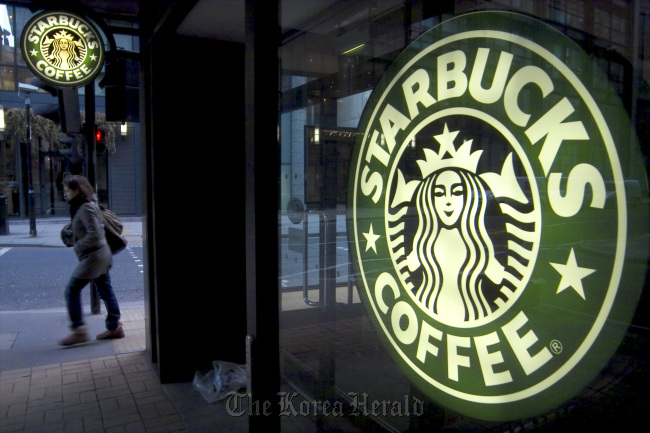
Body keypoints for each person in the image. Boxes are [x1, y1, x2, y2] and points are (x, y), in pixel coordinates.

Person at [59, 175, 125, 346]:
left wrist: (78, 245)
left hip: (94, 257)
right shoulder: (83, 205)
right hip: (100, 255)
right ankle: (114, 327)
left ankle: (78, 330)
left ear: (77, 190)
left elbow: (95, 234)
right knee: (105, 290)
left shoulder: (86, 207)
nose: (64, 194)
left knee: (71, 290)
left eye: (67, 190)